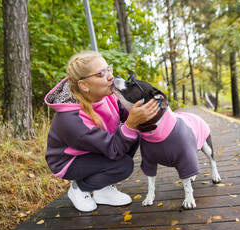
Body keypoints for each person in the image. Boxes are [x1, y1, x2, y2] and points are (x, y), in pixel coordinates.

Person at [44, 51, 159, 212]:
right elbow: (113, 148)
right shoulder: (71, 119)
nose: (110, 76)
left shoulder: (105, 94)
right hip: (69, 160)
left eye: (108, 69)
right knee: (123, 165)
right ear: (83, 85)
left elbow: (124, 113)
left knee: (135, 133)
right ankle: (79, 187)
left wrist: (143, 112)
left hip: (98, 146)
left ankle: (102, 189)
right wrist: (132, 123)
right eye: (101, 74)